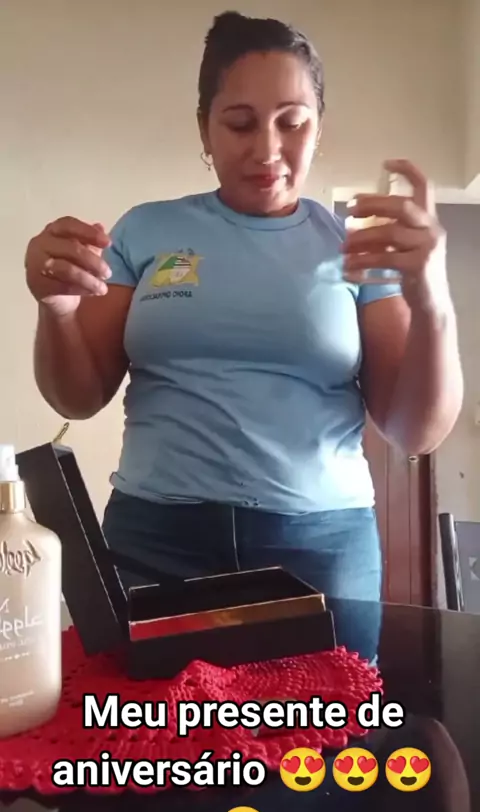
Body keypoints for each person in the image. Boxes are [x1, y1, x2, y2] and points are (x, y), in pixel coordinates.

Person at [24, 11, 463, 599]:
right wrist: (56, 309)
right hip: (154, 537)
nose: (268, 149)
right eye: (239, 123)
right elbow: (77, 398)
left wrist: (433, 300)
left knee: (330, 671)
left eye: (293, 123)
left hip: (319, 547)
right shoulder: (146, 230)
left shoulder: (354, 250)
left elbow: (416, 432)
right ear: (205, 129)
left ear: (318, 128)